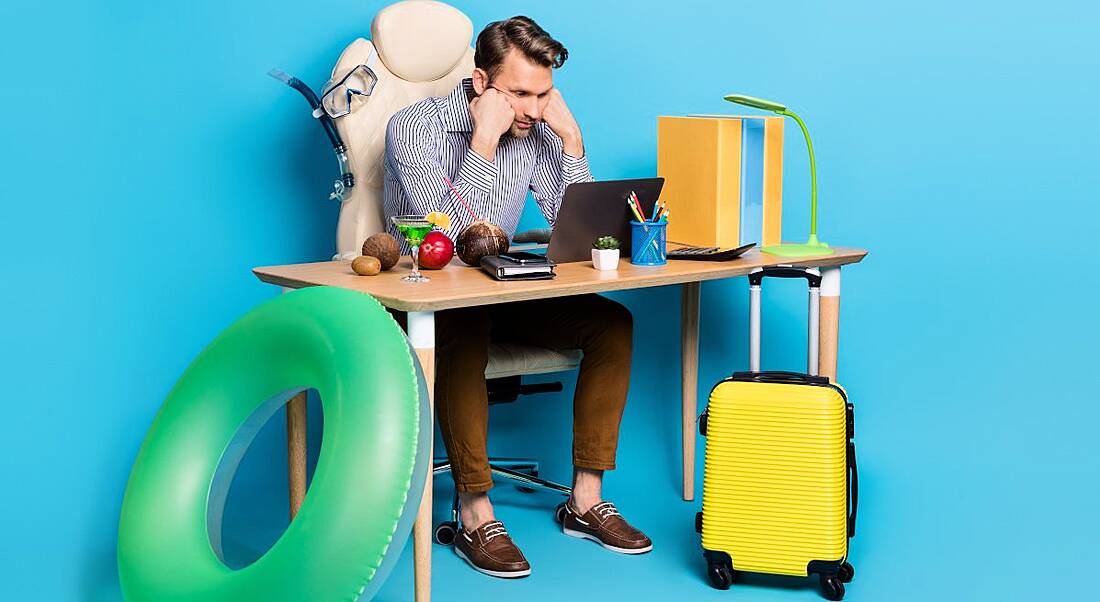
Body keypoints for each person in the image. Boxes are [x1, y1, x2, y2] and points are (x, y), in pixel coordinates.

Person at [383, 16, 652, 578]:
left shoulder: (538, 132)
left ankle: (584, 501)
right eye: (520, 94)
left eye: (545, 94)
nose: (533, 110)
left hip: (504, 289)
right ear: (481, 83)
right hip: (431, 301)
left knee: (612, 324)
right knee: (464, 322)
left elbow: (578, 230)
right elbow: (447, 240)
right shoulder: (413, 127)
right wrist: (483, 141)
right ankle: (475, 512)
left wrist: (573, 142)